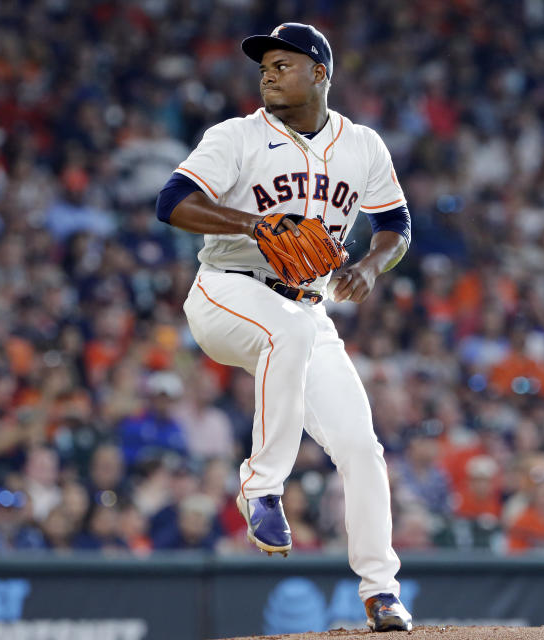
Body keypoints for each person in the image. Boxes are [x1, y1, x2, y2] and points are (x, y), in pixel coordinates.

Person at [156, 23, 412, 633]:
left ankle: (381, 593)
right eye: (264, 66)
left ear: (320, 73)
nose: (268, 73)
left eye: (283, 64)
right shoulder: (237, 136)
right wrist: (253, 224)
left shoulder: (363, 145)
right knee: (286, 334)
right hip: (225, 289)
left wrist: (372, 266)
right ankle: (261, 488)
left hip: (307, 305)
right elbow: (171, 202)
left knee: (360, 447)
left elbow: (396, 222)